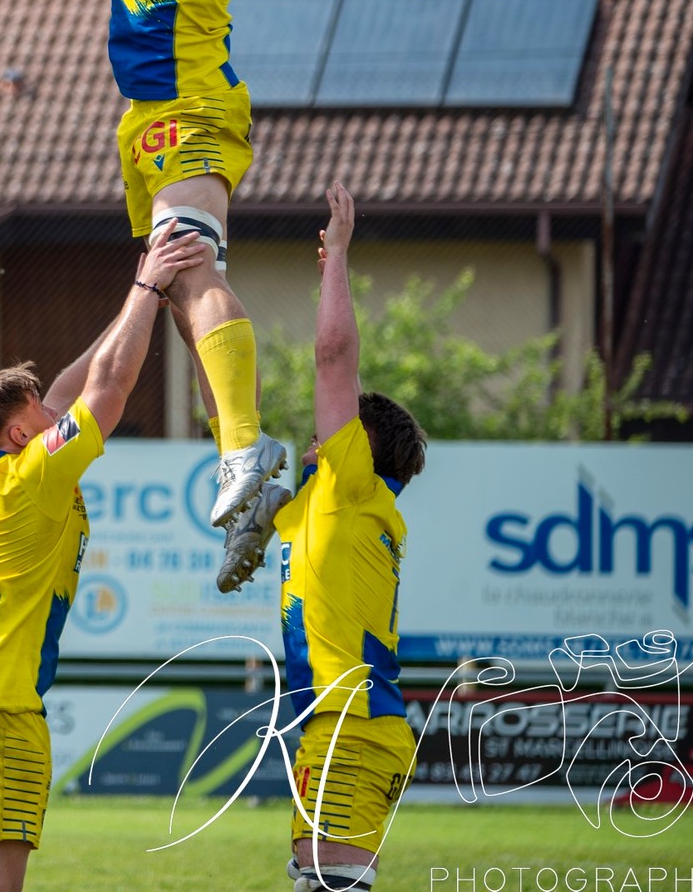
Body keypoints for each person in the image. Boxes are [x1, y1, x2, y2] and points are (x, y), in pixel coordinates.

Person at [0, 231, 211, 892]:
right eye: (43, 413)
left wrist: (136, 293)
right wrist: (151, 291)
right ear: (19, 434)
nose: (55, 413)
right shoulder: (32, 474)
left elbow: (70, 385)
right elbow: (108, 386)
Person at [64, 0, 291, 566]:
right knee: (186, 302)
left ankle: (246, 448)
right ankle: (246, 484)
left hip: (194, 106)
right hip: (144, 119)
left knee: (187, 268)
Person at [270, 184, 427, 892]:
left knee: (328, 888)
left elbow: (334, 355)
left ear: (360, 448)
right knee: (316, 883)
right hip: (339, 723)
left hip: (353, 724)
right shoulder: (323, 504)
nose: (316, 432)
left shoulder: (352, 486)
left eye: (331, 429)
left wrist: (336, 253)